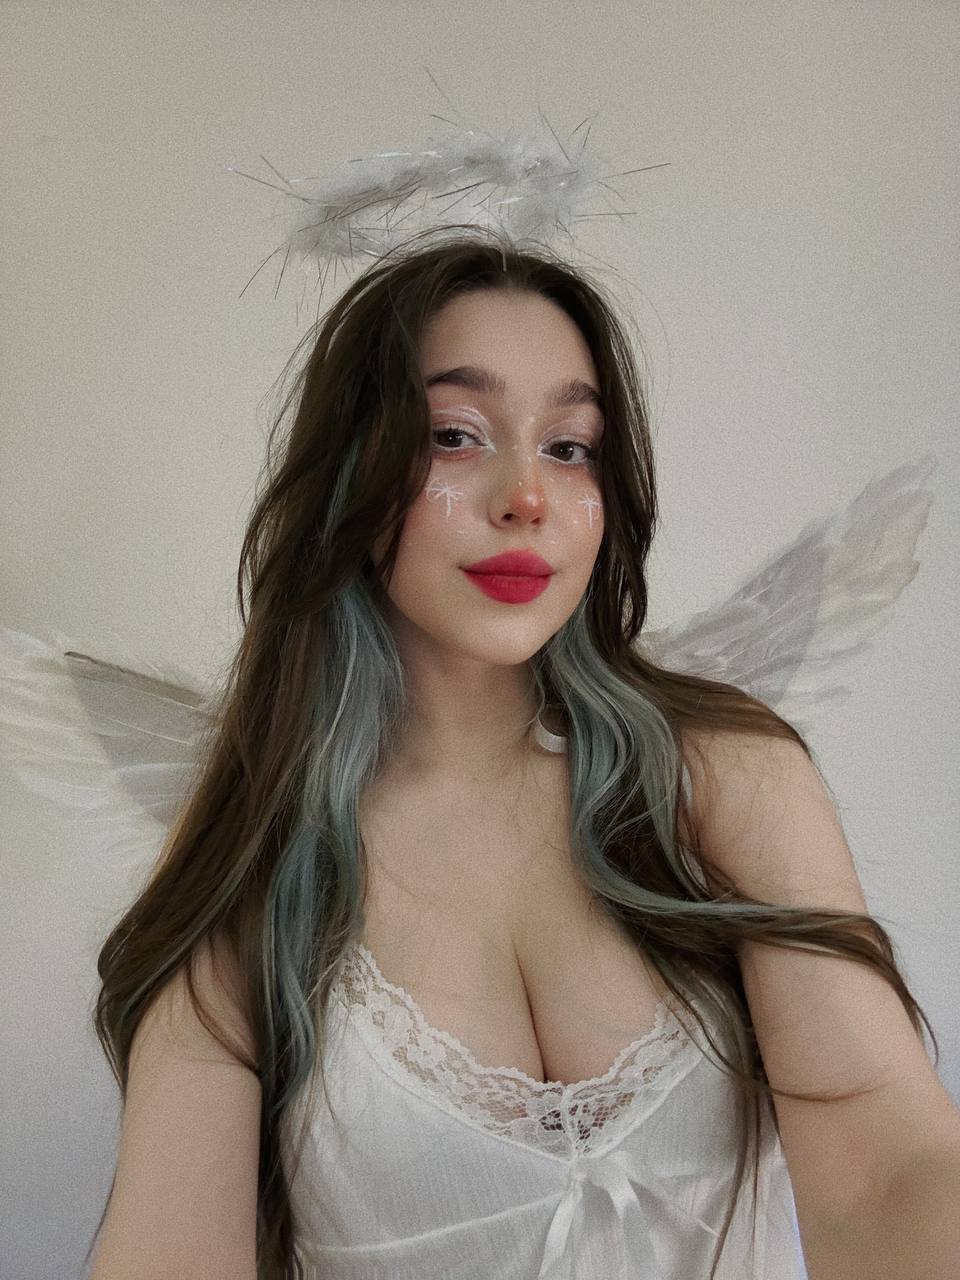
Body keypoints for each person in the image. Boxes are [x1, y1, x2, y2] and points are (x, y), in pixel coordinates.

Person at [85, 228, 960, 1279]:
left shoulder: (723, 777)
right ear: (354, 472)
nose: (526, 497)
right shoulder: (254, 862)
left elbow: (885, 1172)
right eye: (455, 435)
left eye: (570, 446)